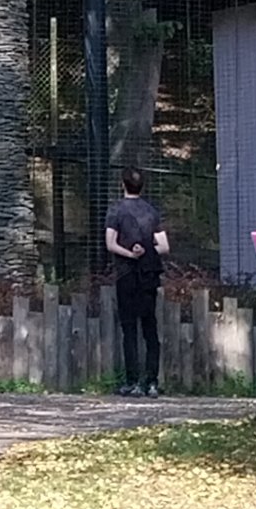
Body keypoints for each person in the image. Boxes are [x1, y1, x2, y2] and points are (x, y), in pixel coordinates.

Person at [105, 166, 169, 397]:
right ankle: (151, 381)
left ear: (123, 184)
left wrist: (131, 253)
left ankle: (131, 381)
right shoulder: (151, 212)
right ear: (142, 185)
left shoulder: (116, 211)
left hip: (127, 274)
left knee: (129, 328)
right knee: (150, 328)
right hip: (149, 274)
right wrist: (147, 249)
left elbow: (110, 243)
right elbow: (164, 246)